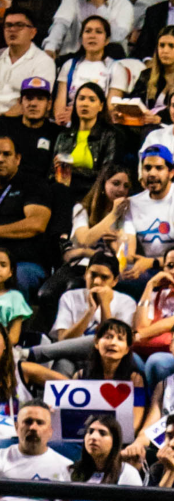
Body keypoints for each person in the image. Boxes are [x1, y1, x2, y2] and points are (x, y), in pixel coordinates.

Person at [123, 144, 174, 285]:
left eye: (159, 168)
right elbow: (128, 255)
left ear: (172, 172)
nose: (152, 173)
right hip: (152, 272)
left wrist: (151, 262)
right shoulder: (133, 203)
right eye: (147, 168)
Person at [62, 413, 143, 501]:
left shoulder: (128, 473)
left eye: (102, 433)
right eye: (90, 432)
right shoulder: (71, 471)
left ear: (115, 441)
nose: (93, 437)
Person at [0, 133, 52, 296]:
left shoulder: (33, 184)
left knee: (16, 279)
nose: (0, 159)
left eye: (6, 154)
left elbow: (37, 224)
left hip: (22, 262)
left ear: (18, 159)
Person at [0, 401, 71, 501]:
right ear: (16, 427)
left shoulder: (65, 466)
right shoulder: (1, 458)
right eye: (28, 422)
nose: (33, 427)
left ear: (50, 431)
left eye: (40, 423)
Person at [118, 24, 174, 125]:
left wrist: (160, 118)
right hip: (143, 123)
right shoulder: (146, 75)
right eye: (162, 45)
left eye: (171, 46)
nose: (165, 51)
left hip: (171, 126)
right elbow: (134, 100)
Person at [52, 250, 136, 340]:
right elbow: (62, 340)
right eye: (93, 275)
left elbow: (114, 342)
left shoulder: (127, 302)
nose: (96, 282)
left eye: (104, 277)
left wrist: (105, 305)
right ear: (86, 273)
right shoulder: (69, 297)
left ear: (115, 281)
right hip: (74, 352)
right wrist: (90, 311)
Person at [1, 77, 61, 187]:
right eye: (28, 98)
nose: (33, 103)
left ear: (49, 104)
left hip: (41, 190)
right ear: (20, 102)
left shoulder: (57, 133)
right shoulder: (4, 126)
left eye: (40, 98)